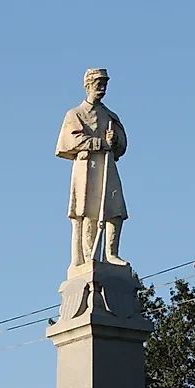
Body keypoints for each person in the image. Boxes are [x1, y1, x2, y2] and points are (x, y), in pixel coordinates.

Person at [55, 68, 129, 268]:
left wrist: (114, 142)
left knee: (115, 209)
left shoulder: (110, 115)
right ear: (87, 85)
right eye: (98, 84)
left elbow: (122, 144)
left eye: (105, 84)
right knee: (89, 211)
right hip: (86, 167)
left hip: (107, 166)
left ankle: (111, 253)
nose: (102, 88)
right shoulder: (75, 114)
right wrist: (99, 143)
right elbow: (69, 140)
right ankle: (90, 256)